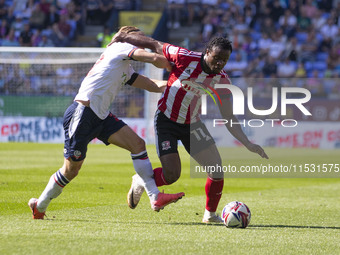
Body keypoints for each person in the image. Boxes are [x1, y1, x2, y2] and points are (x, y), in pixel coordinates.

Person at [28, 26, 185, 220]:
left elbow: (151, 84)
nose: (143, 42)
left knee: (138, 145)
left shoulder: (125, 66)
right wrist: (180, 64)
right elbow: (155, 59)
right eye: (140, 39)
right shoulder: (120, 48)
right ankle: (40, 205)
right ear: (131, 39)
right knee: (71, 171)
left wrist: (177, 84)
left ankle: (155, 197)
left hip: (100, 116)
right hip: (83, 113)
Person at [110, 32, 269, 223]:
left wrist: (248, 143)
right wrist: (122, 37)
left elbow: (228, 116)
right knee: (172, 175)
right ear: (207, 52)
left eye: (224, 61)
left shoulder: (222, 81)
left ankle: (210, 215)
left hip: (192, 124)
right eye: (217, 58)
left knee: (216, 170)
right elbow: (154, 44)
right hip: (166, 119)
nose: (219, 63)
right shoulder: (184, 57)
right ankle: (142, 180)